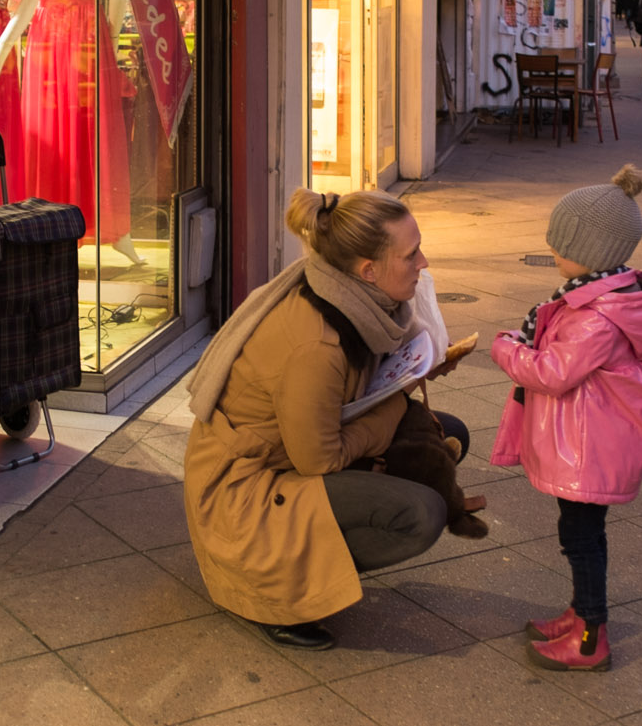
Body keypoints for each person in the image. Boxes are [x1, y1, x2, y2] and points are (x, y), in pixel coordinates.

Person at [183, 188, 469, 652]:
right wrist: (395, 408)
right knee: (421, 514)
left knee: (447, 435)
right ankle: (277, 591)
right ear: (368, 271)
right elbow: (319, 458)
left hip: (284, 458)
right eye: (411, 254)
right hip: (246, 494)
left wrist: (420, 368)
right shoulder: (315, 346)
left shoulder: (344, 293)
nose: (424, 262)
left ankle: (309, 559)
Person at [491, 165, 642, 672]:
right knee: (582, 535)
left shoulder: (597, 316)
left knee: (582, 539)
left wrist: (506, 348)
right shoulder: (602, 298)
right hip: (595, 437)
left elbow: (552, 372)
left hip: (591, 448)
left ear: (587, 252)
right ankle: (579, 614)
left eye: (559, 244)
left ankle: (591, 635)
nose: (552, 251)